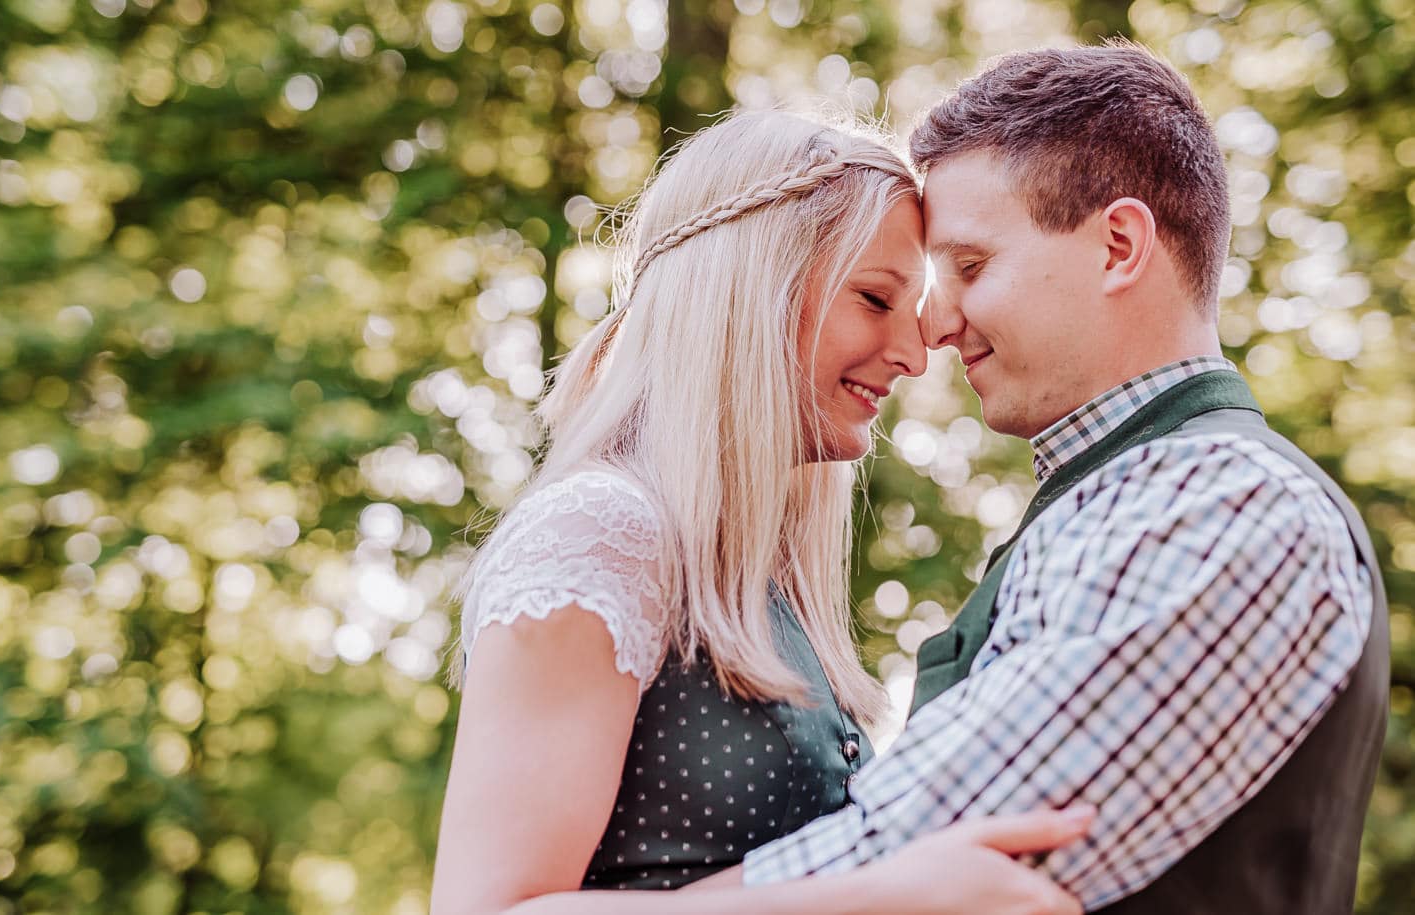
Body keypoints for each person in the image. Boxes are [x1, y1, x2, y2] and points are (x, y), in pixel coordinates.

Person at [735, 42, 1388, 914]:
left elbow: (894, 865)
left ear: (1119, 244)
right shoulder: (1121, 499)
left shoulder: (1221, 504)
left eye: (970, 267)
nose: (935, 325)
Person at [429, 110, 1091, 915]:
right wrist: (887, 898)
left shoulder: (762, 578)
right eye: (876, 298)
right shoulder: (603, 530)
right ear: (754, 287)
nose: (915, 355)